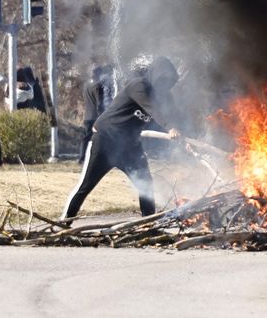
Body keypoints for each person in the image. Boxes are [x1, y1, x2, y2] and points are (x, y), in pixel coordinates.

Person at [61, 56, 184, 219]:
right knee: (85, 186)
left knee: (146, 185)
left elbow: (175, 116)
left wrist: (183, 136)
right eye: (163, 80)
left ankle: (149, 224)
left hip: (130, 147)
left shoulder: (165, 97)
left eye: (169, 82)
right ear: (155, 75)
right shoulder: (138, 86)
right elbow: (154, 110)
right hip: (105, 141)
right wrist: (171, 127)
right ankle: (64, 222)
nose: (165, 86)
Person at [80, 64, 116, 163]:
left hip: (87, 116)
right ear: (98, 73)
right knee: (102, 137)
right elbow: (99, 103)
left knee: (86, 138)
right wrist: (102, 115)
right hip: (96, 116)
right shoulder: (98, 85)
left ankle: (82, 157)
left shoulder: (86, 85)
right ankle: (102, 157)